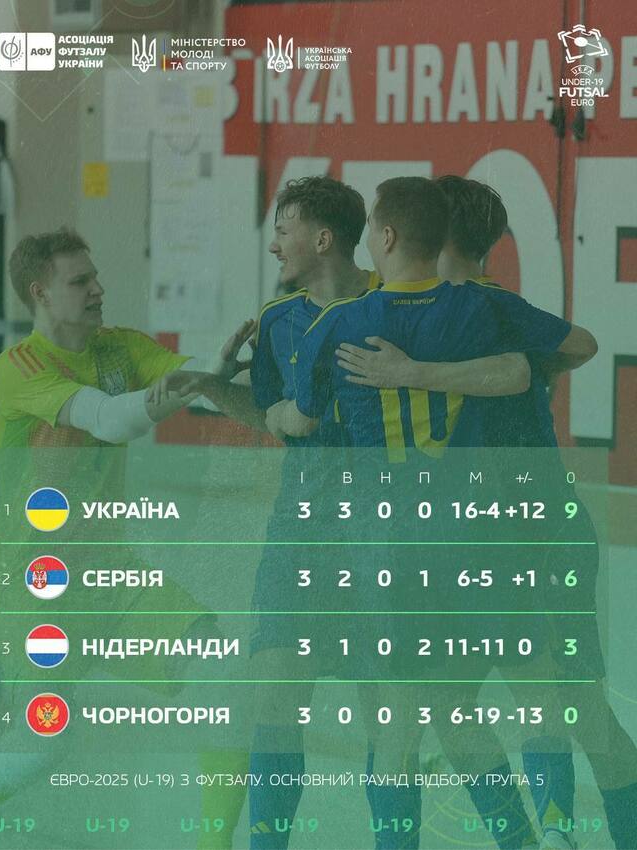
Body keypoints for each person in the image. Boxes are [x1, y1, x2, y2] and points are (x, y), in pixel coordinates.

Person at [156, 176, 545, 850]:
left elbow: (492, 382)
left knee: (394, 721)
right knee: (276, 695)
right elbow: (276, 420)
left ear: (322, 238)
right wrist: (217, 389)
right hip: (301, 533)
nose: (274, 244)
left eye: (283, 230)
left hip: (388, 537)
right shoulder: (278, 321)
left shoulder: (399, 301)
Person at [332, 176, 637, 850]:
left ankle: (559, 831)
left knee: (571, 703)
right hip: (474, 541)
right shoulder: (426, 314)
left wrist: (481, 372)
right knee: (448, 709)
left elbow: (576, 347)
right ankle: (535, 837)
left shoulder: (486, 309)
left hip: (534, 531)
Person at [0, 228, 250, 850]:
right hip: (35, 585)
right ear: (40, 292)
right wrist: (180, 393)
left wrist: (218, 375)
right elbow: (110, 417)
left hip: (112, 574)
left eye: (95, 277)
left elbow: (191, 377)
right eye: (80, 281)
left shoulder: (119, 347)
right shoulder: (18, 369)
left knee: (223, 676)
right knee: (44, 742)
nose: (98, 289)